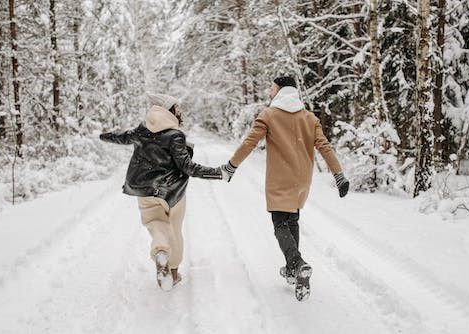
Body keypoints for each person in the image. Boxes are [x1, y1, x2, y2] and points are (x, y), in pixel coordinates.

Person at [219, 76, 349, 301]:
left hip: (280, 180)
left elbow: (250, 142)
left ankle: (298, 264)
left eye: (272, 88)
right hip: (302, 181)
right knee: (292, 220)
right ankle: (292, 270)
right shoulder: (309, 117)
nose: (270, 91)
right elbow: (325, 147)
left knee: (280, 223)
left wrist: (231, 166)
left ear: (280, 90)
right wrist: (339, 175)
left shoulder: (269, 115)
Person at [100, 94, 223, 291]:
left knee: (156, 226)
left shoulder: (141, 131)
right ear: (170, 111)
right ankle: (173, 273)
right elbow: (188, 167)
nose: (179, 112)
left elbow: (121, 137)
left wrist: (102, 135)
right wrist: (217, 173)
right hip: (172, 193)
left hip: (144, 189)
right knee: (174, 229)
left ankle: (160, 253)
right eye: (177, 108)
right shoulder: (175, 135)